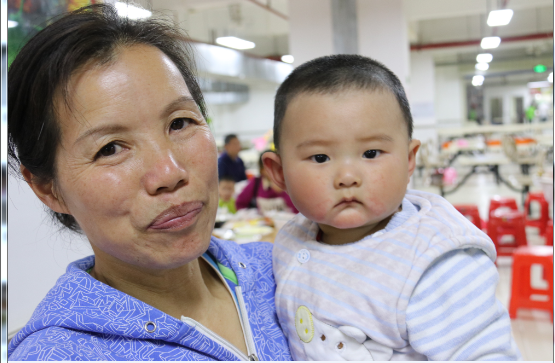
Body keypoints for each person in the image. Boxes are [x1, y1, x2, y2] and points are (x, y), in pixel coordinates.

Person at [7, 4, 291, 360]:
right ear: (49, 189)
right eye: (110, 148)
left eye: (180, 123)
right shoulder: (59, 354)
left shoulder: (283, 271)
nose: (170, 172)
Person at [262, 55, 521, 360]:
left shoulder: (434, 260)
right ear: (278, 173)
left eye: (371, 153)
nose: (347, 177)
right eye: (320, 158)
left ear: (409, 160)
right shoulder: (290, 241)